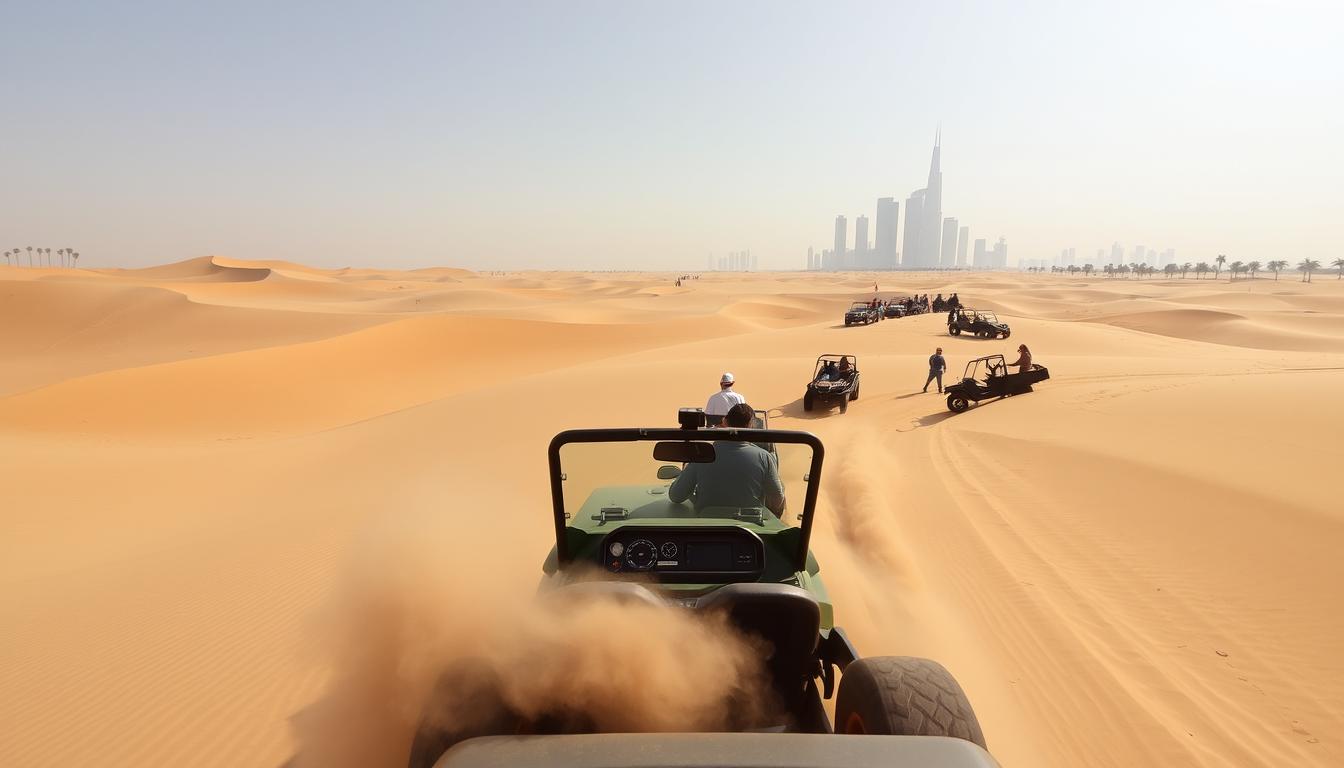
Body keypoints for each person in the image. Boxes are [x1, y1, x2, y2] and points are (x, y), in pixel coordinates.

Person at [668, 403, 785, 515]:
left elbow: (676, 496)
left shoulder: (703, 454)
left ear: (724, 421)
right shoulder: (764, 457)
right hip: (750, 531)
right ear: (751, 425)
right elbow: (777, 500)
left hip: (708, 528)